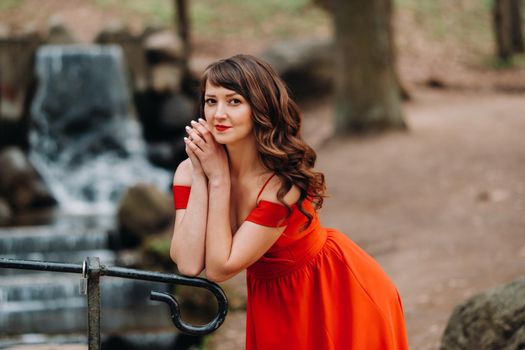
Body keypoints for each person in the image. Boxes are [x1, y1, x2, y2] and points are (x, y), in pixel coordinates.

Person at [170, 54, 408, 350]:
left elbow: (220, 268)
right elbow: (189, 264)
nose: (219, 114)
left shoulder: (282, 185)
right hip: (273, 296)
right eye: (211, 101)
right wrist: (204, 177)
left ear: (259, 107)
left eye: (234, 102)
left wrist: (219, 179)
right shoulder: (189, 172)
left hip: (334, 292)